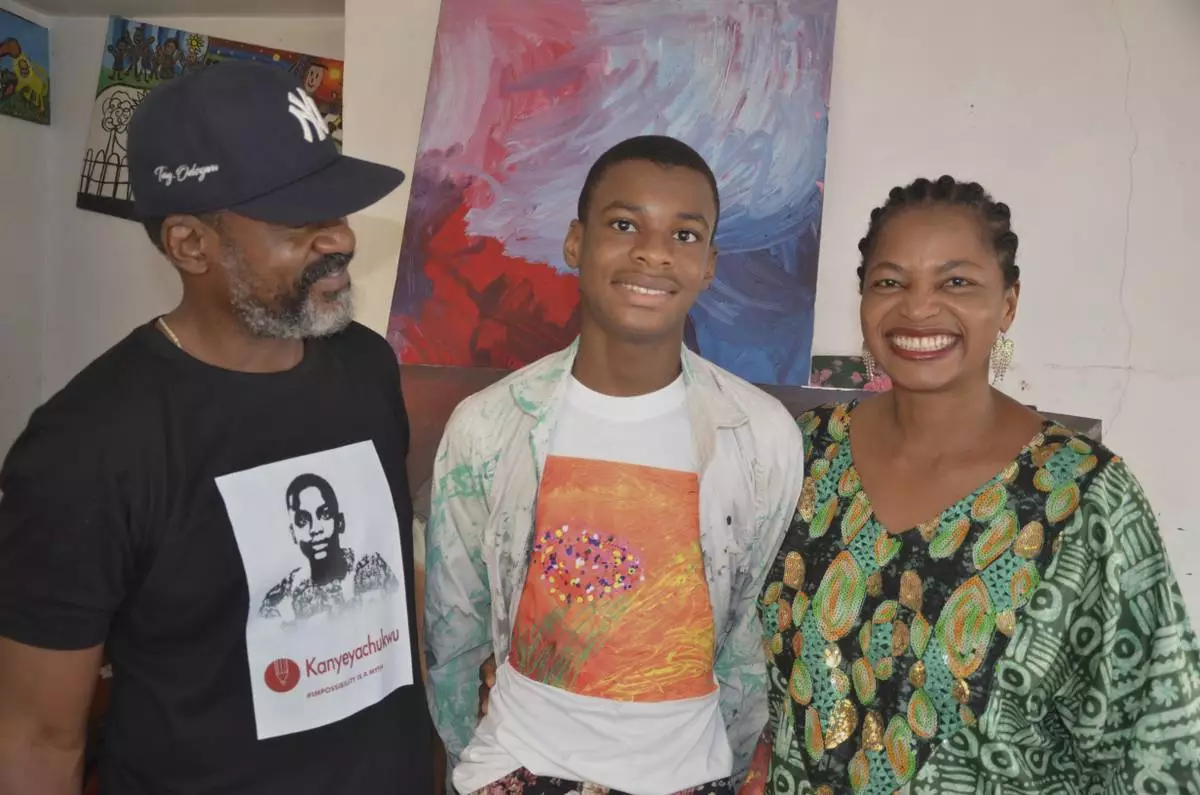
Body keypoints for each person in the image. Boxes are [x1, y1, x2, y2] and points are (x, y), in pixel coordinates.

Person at [0, 60, 432, 794]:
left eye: (338, 208)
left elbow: (387, 595)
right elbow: (37, 736)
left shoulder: (364, 366)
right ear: (191, 244)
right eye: (302, 221)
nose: (342, 240)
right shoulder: (86, 446)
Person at [746, 176, 1200, 794]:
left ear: (1008, 302)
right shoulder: (803, 453)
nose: (918, 307)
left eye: (955, 281)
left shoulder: (1084, 495)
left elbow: (1157, 743)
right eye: (890, 282)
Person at [423, 135, 806, 795]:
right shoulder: (489, 425)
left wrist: (731, 762)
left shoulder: (760, 432)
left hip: (692, 773)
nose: (653, 251)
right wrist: (474, 766)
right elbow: (452, 628)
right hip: (516, 766)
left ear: (710, 264)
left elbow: (747, 626)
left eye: (684, 235)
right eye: (624, 224)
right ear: (576, 243)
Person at [259, 473, 400, 627]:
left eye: (325, 514)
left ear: (340, 522)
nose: (315, 529)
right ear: (293, 534)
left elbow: (398, 612)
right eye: (302, 520)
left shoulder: (372, 567)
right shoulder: (285, 594)